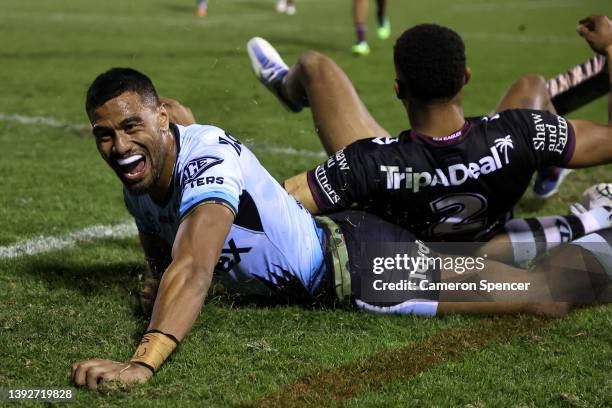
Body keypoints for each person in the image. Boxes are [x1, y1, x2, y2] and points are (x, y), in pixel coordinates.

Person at [70, 68, 610, 391]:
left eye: (130, 126)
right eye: (104, 135)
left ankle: (595, 232)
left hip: (365, 265)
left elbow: (193, 265)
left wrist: (141, 363)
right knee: (487, 260)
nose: (118, 147)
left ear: (162, 117)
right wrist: (151, 274)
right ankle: (579, 221)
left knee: (539, 294)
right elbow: (159, 242)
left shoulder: (205, 166)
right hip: (347, 238)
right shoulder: (140, 172)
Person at [246, 16, 612, 263]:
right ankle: (550, 163)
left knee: (314, 65)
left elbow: (270, 209)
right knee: (531, 86)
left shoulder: (366, 162)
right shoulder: (523, 131)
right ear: (466, 77)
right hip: (495, 203)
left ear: (398, 90)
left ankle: (285, 86)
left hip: (398, 189)